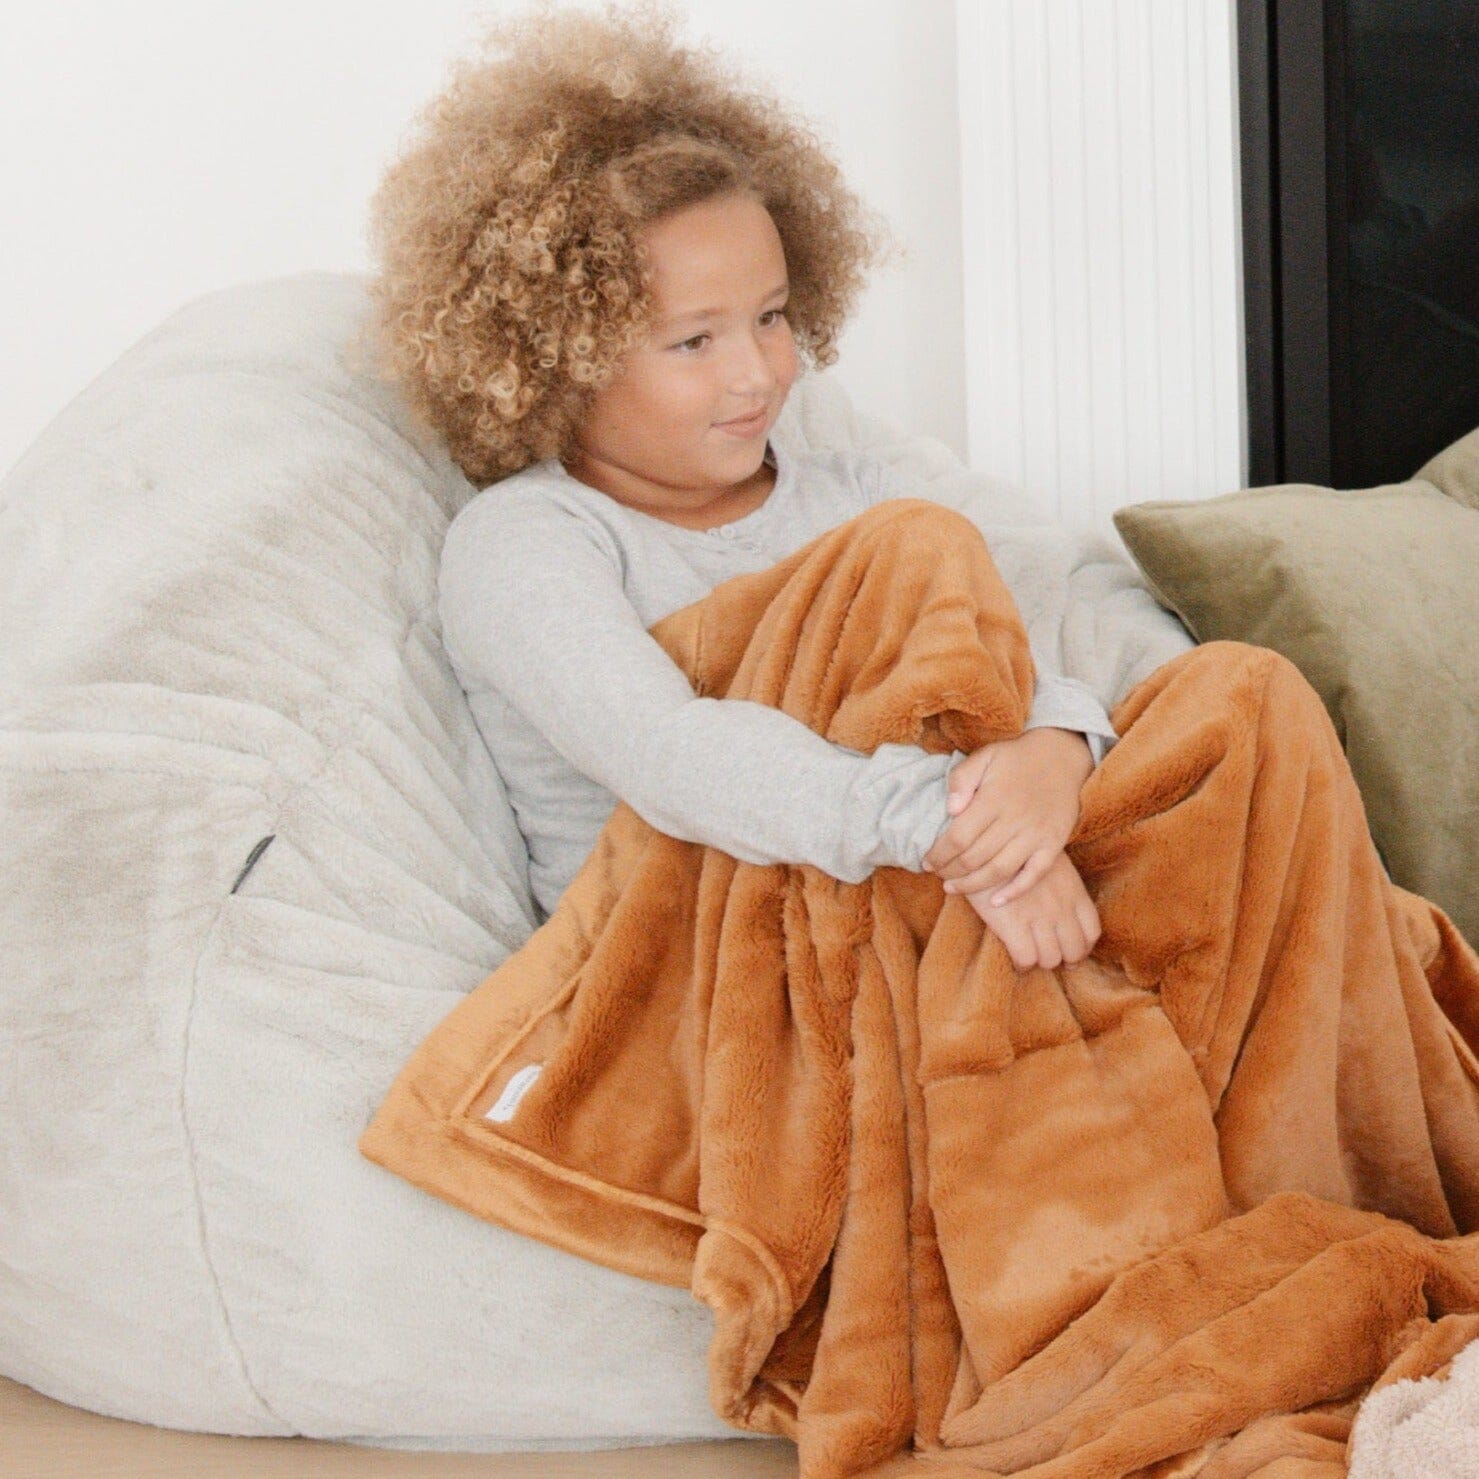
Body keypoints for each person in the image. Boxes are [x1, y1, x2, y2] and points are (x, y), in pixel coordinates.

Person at [358, 0, 1110, 971]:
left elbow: (1028, 651)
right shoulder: (529, 542)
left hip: (927, 915)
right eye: (694, 341)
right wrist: (957, 830)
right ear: (560, 350)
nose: (757, 374)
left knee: (1241, 704)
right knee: (913, 547)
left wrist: (1058, 751)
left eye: (770, 316)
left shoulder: (860, 492)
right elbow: (666, 749)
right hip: (693, 969)